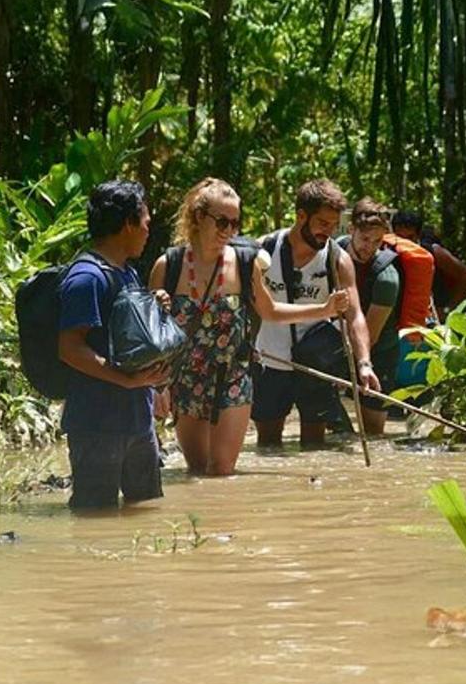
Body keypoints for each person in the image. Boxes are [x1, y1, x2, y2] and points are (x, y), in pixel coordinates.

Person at [148, 178, 350, 476]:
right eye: (221, 222)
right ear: (198, 217)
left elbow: (268, 310)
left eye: (235, 223)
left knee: (221, 472)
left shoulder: (245, 262)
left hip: (233, 375)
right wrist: (157, 387)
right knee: (197, 471)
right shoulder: (168, 266)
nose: (229, 231)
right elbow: (152, 333)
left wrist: (324, 309)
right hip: (186, 378)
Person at [57, 180, 170, 509]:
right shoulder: (85, 278)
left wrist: (153, 307)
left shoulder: (127, 273)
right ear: (127, 224)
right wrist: (129, 380)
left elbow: (127, 338)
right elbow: (69, 348)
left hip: (137, 419)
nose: (149, 231)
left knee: (144, 513)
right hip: (96, 425)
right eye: (146, 223)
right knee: (95, 518)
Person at [252, 180, 380, 446]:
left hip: (314, 361)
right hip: (269, 358)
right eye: (323, 223)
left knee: (314, 446)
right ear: (301, 216)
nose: (329, 232)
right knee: (268, 445)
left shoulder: (338, 260)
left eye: (334, 225)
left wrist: (364, 363)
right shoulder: (263, 250)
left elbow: (355, 316)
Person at [338, 198, 401, 435]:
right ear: (351, 230)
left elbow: (370, 336)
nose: (370, 247)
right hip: (338, 342)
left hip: (379, 351)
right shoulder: (333, 253)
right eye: (365, 239)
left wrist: (359, 364)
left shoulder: (387, 278)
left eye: (377, 241)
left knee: (373, 432)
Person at [391, 210, 466, 321]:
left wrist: (448, 310)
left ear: (418, 236)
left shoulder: (434, 252)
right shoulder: (390, 252)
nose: (405, 243)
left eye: (410, 237)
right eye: (401, 238)